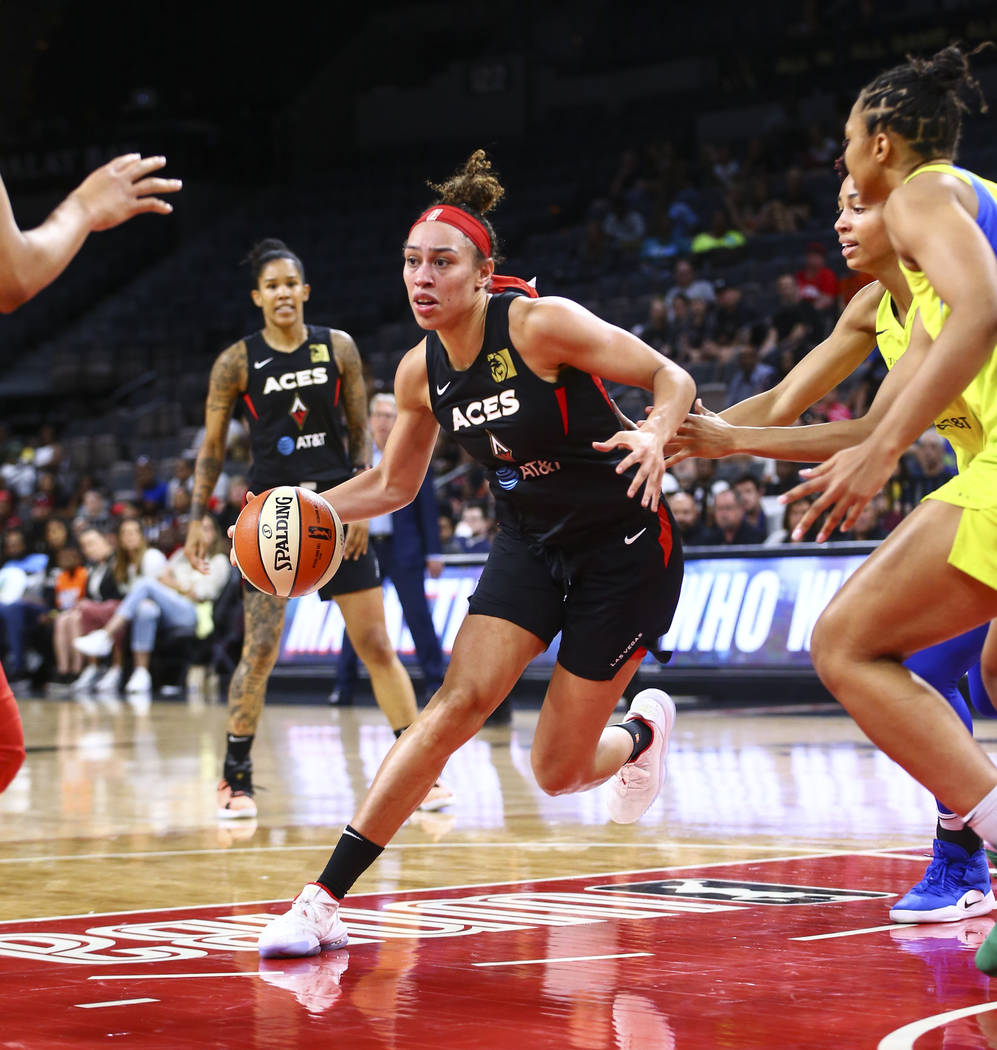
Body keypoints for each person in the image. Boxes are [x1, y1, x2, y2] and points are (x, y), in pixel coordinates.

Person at [255, 149, 694, 958]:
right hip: (529, 541)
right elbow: (391, 485)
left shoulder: (538, 323)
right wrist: (302, 507)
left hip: (623, 546)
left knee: (556, 772)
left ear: (484, 274)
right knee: (452, 707)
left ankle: (640, 735)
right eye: (411, 263)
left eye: (441, 263)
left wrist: (656, 432)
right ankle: (321, 901)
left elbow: (670, 376)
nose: (421, 278)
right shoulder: (419, 373)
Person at [667, 169, 997, 923]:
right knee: (940, 668)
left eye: (860, 205)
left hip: (980, 495)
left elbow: (876, 430)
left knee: (965, 672)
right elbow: (782, 402)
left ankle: (961, 853)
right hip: (972, 498)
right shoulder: (868, 308)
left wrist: (732, 441)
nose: (842, 222)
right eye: (838, 207)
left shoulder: (958, 279)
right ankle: (960, 854)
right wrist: (681, 442)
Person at [184, 238, 431, 820]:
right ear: (257, 296)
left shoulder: (337, 348)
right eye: (271, 286)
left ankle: (420, 772)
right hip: (269, 520)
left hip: (338, 510)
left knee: (375, 645)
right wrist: (198, 516)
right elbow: (213, 449)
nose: (282, 294)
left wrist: (365, 510)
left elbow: (360, 439)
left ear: (305, 290)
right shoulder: (236, 363)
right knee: (261, 649)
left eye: (290, 284)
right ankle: (235, 779)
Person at [336, 393, 446, 706]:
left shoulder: (410, 453)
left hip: (403, 549)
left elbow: (427, 507)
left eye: (389, 416)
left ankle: (436, 683)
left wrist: (433, 552)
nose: (384, 422)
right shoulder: (355, 458)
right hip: (363, 548)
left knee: (418, 616)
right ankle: (343, 687)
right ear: (369, 420)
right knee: (357, 621)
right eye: (379, 415)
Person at [75, 514, 230, 697]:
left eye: (207, 529)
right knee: (146, 609)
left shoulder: (219, 561)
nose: (201, 534)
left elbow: (200, 594)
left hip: (193, 612)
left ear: (215, 533)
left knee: (145, 584)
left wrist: (174, 585)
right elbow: (163, 579)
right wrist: (175, 586)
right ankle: (141, 673)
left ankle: (105, 635)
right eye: (197, 529)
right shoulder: (182, 555)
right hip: (168, 608)